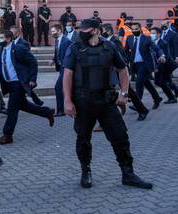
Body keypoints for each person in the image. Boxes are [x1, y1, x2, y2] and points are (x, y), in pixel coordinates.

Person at [63, 19, 153, 189]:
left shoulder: (109, 47)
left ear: (96, 30)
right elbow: (67, 74)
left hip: (106, 101)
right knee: (83, 139)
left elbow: (122, 70)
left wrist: (124, 93)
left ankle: (128, 174)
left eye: (85, 29)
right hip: (83, 102)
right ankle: (86, 172)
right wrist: (67, 101)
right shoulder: (74, 47)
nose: (81, 32)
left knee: (120, 137)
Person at [0, 30, 54, 145]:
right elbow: (0, 65)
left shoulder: (19, 49)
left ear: (9, 38)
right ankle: (47, 112)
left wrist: (32, 79)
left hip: (18, 83)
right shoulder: (1, 50)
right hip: (9, 83)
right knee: (23, 105)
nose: (0, 40)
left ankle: (7, 135)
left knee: (12, 109)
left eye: (2, 38)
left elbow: (33, 62)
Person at [100, 24, 149, 121]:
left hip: (118, 71)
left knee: (129, 92)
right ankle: (117, 111)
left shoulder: (115, 41)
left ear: (109, 31)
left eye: (103, 31)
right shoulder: (105, 42)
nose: (101, 33)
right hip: (111, 71)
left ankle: (142, 110)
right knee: (124, 92)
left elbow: (119, 57)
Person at [125, 22, 164, 109]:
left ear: (140, 29)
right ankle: (157, 98)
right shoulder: (129, 38)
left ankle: (138, 104)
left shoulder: (147, 39)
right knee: (146, 83)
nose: (134, 31)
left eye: (136, 29)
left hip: (144, 64)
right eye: (133, 29)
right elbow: (126, 52)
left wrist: (161, 55)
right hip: (135, 65)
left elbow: (157, 48)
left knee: (139, 83)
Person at [52, 24, 71, 117]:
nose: (52, 33)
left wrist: (66, 66)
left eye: (53, 31)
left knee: (58, 87)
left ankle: (60, 110)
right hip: (61, 67)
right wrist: (53, 60)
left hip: (65, 68)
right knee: (62, 88)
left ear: (59, 31)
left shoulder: (66, 41)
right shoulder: (57, 40)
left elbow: (69, 55)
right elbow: (57, 52)